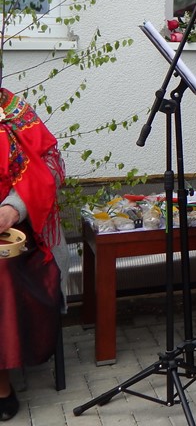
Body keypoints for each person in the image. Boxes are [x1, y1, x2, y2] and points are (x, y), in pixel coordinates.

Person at [0, 89, 65, 421]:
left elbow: (52, 165)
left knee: (1, 269)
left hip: (15, 235)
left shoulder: (12, 111)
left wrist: (14, 208)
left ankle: (1, 384)